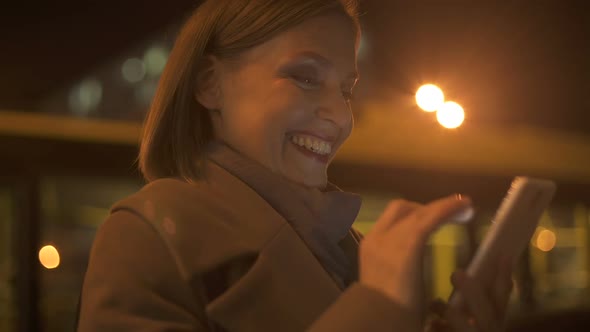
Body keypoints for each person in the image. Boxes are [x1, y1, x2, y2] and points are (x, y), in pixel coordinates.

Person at [77, 0, 513, 331]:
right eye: (305, 77)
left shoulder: (345, 244)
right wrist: (376, 307)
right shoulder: (145, 234)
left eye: (346, 90)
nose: (342, 117)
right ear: (210, 85)